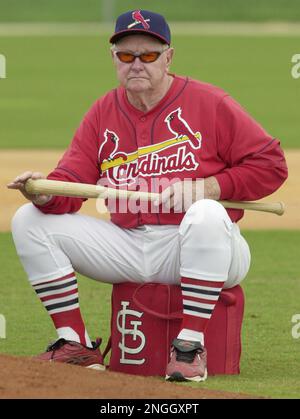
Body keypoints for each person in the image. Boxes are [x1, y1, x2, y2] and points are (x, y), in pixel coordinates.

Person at [8, 10, 288, 382]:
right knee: (28, 220)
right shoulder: (103, 111)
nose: (136, 64)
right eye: (126, 56)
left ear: (168, 57)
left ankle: (189, 348)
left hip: (206, 248)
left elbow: (271, 164)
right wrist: (44, 194)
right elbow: (72, 180)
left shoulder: (211, 102)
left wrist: (210, 187)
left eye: (148, 55)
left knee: (205, 213)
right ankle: (74, 343)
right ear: (114, 60)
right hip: (129, 246)